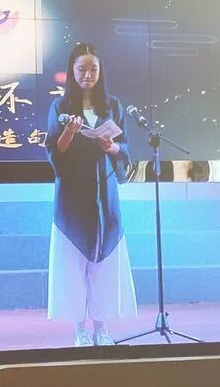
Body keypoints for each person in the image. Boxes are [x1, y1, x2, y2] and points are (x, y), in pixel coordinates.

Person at [45, 43, 138, 346]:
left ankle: (101, 327)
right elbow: (54, 152)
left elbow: (125, 148)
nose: (87, 74)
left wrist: (111, 146)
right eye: (82, 69)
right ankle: (80, 328)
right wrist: (70, 133)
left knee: (104, 265)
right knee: (74, 265)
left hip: (104, 194)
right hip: (73, 196)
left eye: (93, 69)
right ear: (72, 71)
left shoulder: (113, 106)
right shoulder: (60, 107)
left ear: (100, 71)